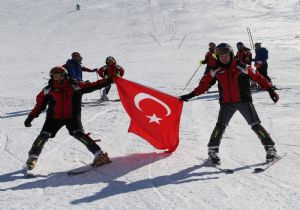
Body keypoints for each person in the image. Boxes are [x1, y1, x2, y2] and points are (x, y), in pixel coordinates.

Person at [180, 43, 279, 165]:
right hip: (226, 103)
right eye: (221, 56)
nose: (224, 58)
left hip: (244, 101)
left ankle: (270, 148)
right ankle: (212, 150)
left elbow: (258, 77)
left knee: (255, 125)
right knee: (220, 126)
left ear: (231, 55)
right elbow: (203, 85)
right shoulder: (215, 70)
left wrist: (270, 90)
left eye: (226, 55)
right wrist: (190, 95)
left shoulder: (242, 67)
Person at [24, 66, 114, 170]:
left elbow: (94, 85)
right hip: (54, 117)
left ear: (65, 75)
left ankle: (99, 155)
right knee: (44, 135)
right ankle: (32, 158)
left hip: (72, 116)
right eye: (55, 76)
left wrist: (108, 80)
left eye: (60, 76)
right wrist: (31, 117)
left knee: (78, 133)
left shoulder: (75, 86)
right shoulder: (48, 90)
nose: (57, 78)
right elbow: (39, 105)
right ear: (52, 77)